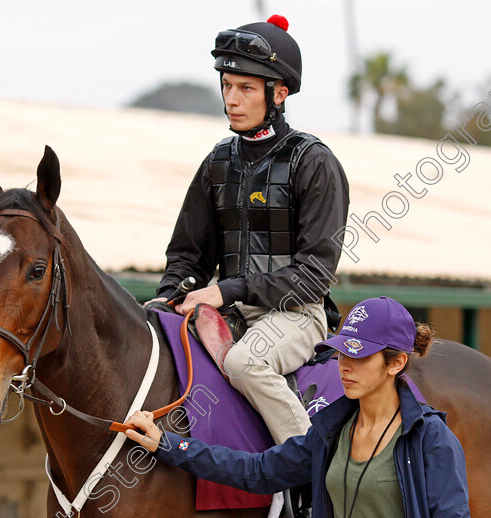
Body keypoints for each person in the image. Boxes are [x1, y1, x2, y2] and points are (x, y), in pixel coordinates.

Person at [145, 14, 350, 447]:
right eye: (227, 86)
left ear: (278, 94)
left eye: (246, 89)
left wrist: (228, 290)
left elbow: (315, 274)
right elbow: (188, 255)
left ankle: (312, 479)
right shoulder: (217, 162)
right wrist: (170, 293)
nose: (232, 99)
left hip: (296, 315)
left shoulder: (314, 162)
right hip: (229, 313)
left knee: (244, 364)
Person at [126, 297, 471, 518]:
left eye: (359, 355)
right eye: (342, 353)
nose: (344, 365)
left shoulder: (433, 440)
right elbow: (255, 472)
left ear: (395, 363)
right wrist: (167, 443)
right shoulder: (328, 432)